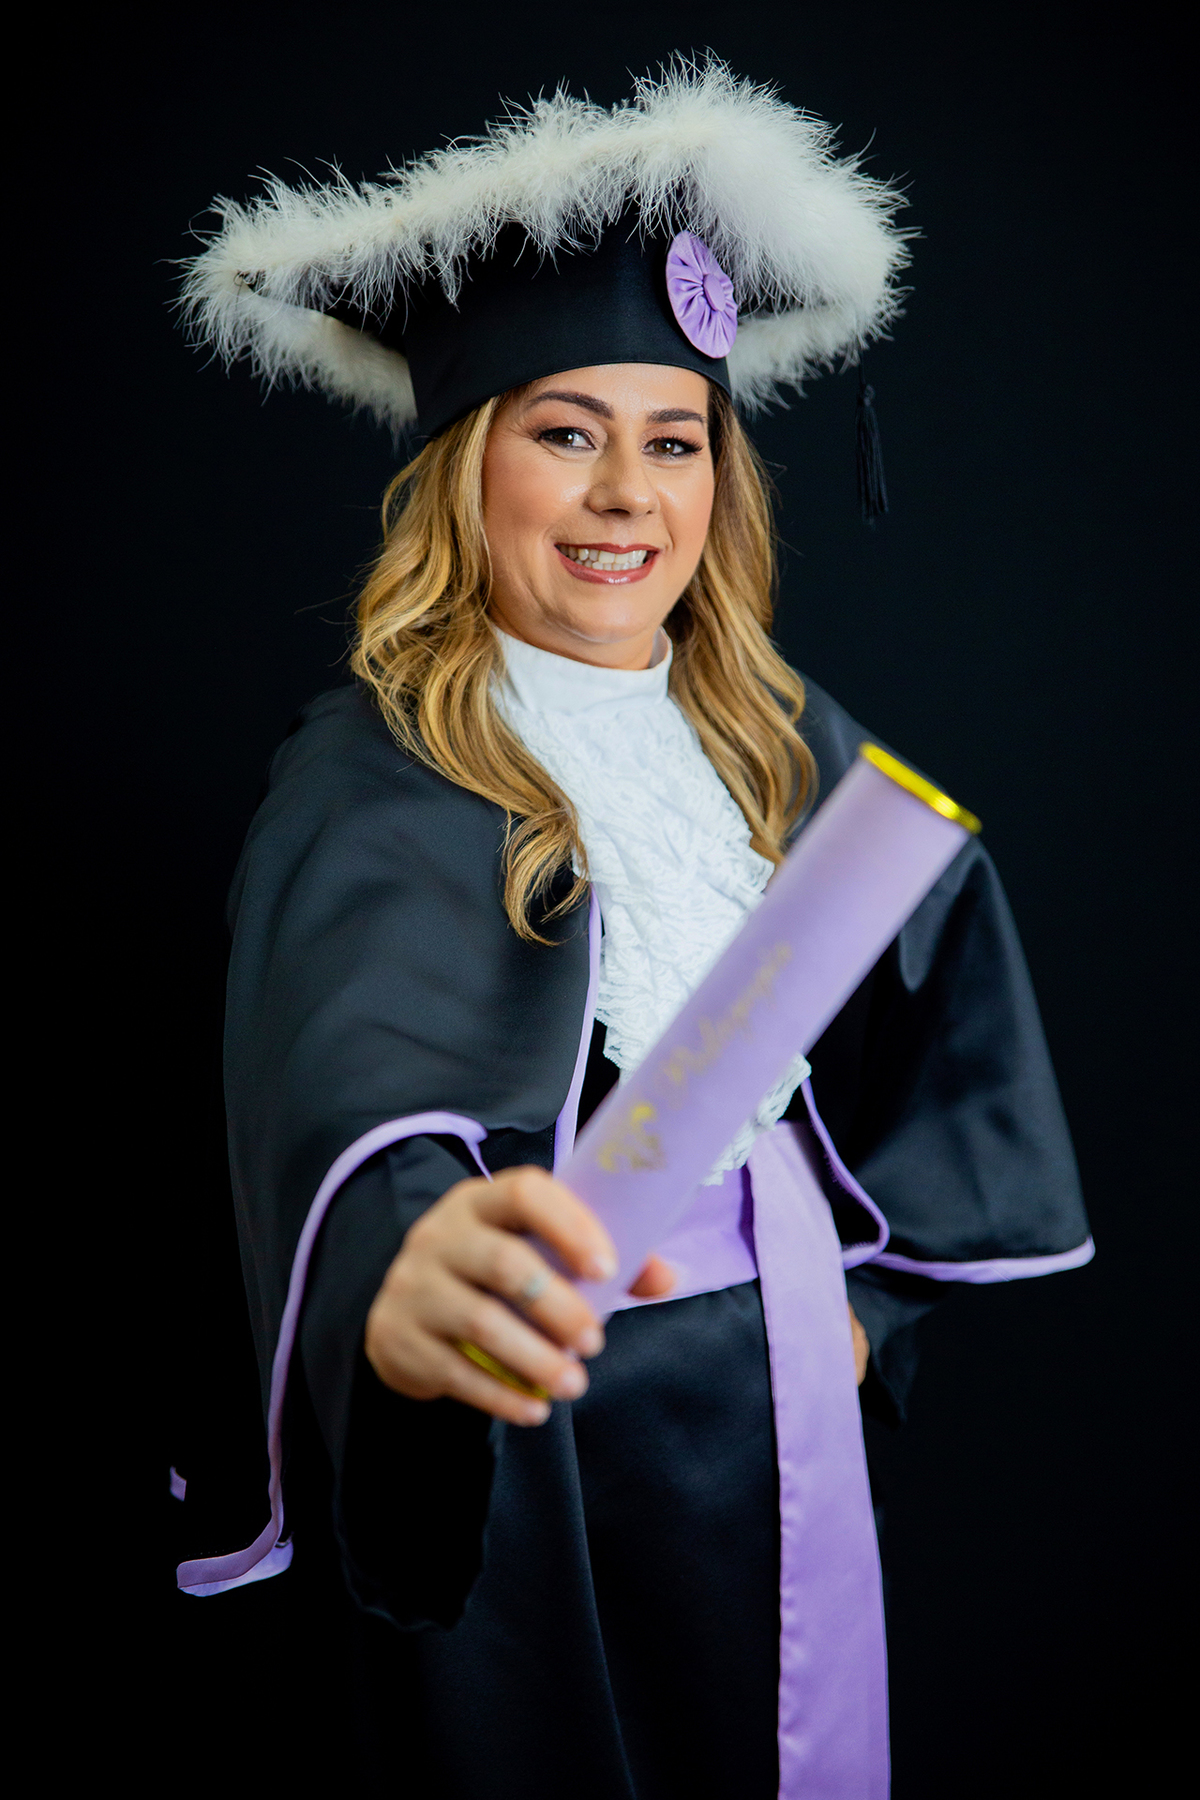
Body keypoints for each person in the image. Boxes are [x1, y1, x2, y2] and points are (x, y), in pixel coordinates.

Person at [177, 60, 1092, 1799]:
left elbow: (936, 1028)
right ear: (471, 468)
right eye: (564, 432)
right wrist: (410, 1282)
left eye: (672, 441)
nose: (623, 495)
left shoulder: (776, 734)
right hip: (550, 1435)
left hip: (786, 1405)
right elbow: (337, 1084)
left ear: (719, 483)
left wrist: (866, 1316)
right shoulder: (383, 769)